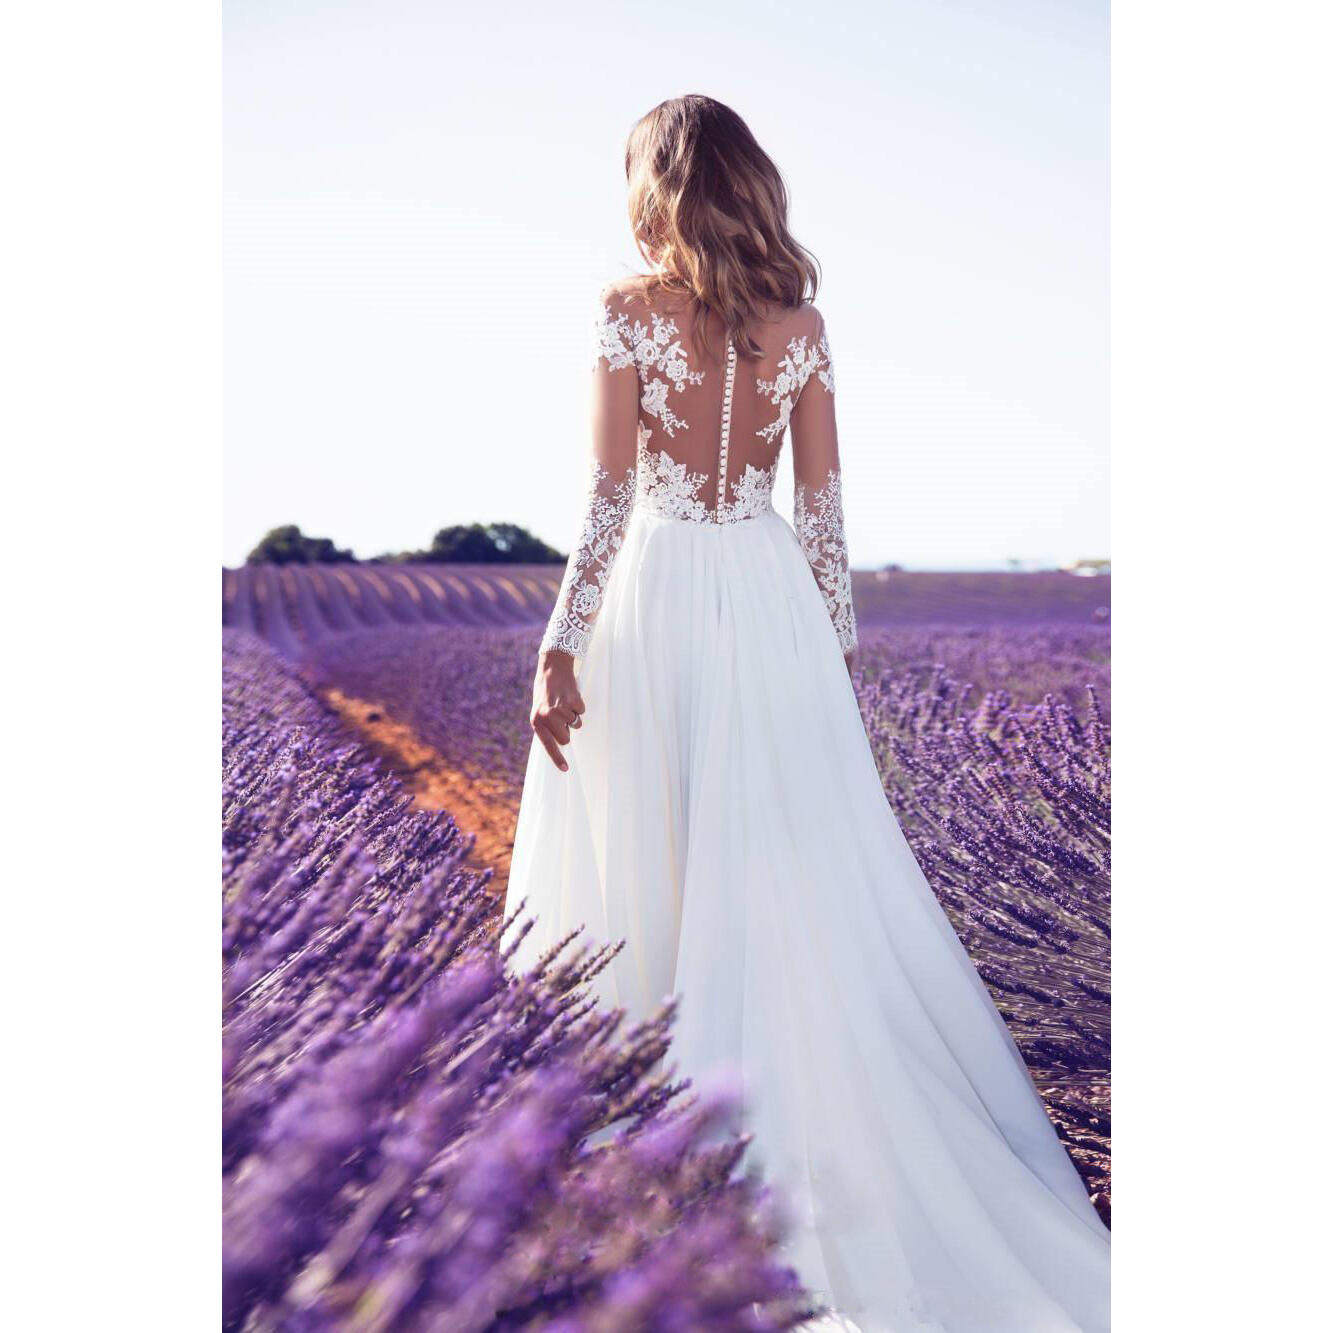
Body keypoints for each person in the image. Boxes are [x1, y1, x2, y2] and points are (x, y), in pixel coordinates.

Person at [504, 94, 1110, 1332]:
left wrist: (560, 642)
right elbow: (823, 508)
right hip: (770, 599)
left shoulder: (626, 310)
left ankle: (661, 1150)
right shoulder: (803, 324)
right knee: (777, 870)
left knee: (647, 856)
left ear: (656, 186)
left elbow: (611, 494)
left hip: (659, 595)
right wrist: (829, 658)